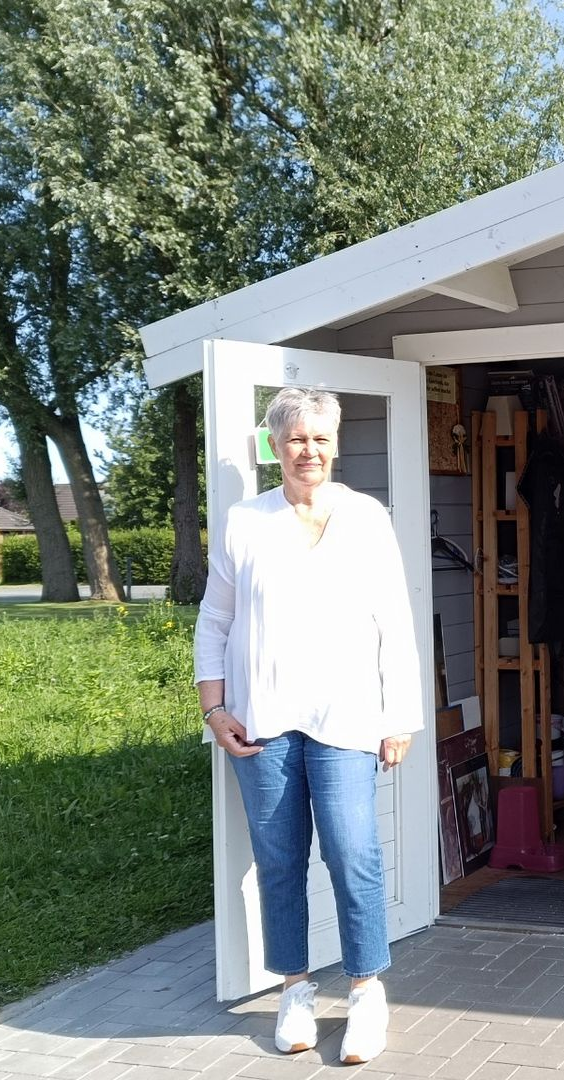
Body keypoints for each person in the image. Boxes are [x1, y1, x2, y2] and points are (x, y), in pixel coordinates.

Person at [194, 387, 422, 1066]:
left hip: (347, 718)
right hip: (262, 721)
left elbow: (394, 620)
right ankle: (294, 988)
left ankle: (365, 992)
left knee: (353, 853)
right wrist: (215, 709)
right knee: (280, 861)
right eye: (295, 438)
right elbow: (215, 621)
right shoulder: (243, 521)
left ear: (335, 444)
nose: (308, 450)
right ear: (275, 446)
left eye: (320, 438)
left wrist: (400, 714)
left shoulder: (365, 517)